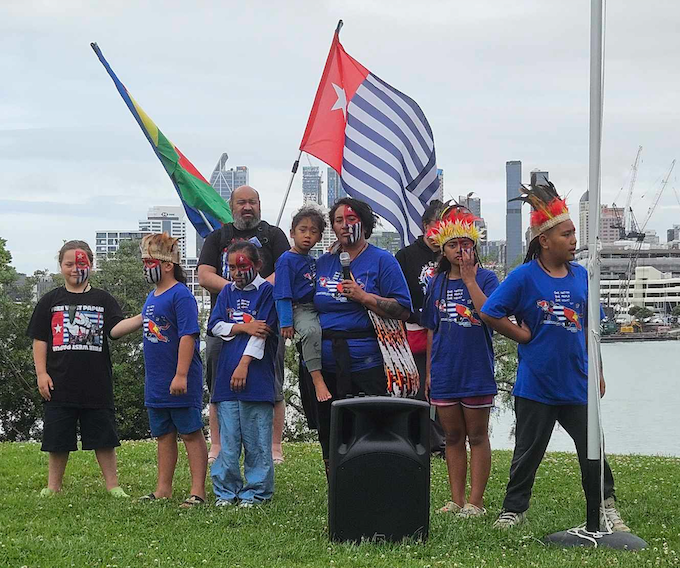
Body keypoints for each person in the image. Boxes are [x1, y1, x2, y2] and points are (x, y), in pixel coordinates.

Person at [480, 181, 629, 531]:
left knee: (594, 451)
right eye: (566, 234)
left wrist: (599, 372)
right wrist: (521, 334)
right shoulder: (523, 277)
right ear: (544, 241)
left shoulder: (583, 277)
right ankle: (514, 510)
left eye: (574, 233)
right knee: (527, 453)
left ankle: (604, 506)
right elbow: (489, 312)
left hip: (578, 384)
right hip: (537, 385)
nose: (574, 240)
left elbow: (592, 330)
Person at [27, 240, 141, 497]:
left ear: (91, 264)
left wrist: (143, 317)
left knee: (104, 437)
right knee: (57, 438)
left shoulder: (103, 298)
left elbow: (115, 330)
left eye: (81, 263)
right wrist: (41, 374)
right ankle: (53, 486)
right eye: (69, 264)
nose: (75, 269)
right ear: (60, 266)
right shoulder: (50, 300)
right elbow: (39, 339)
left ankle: (113, 485)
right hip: (59, 384)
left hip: (96, 384)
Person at [313, 197, 412, 475]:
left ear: (365, 224)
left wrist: (364, 297)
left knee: (369, 434)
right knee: (331, 435)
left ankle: (371, 486)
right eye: (339, 221)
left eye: (352, 219)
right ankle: (337, 491)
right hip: (327, 365)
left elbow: (404, 310)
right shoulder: (323, 263)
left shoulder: (383, 261)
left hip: (368, 365)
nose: (345, 226)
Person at [198, 185, 290, 464]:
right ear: (232, 206)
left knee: (272, 382)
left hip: (265, 320)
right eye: (241, 202)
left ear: (260, 205)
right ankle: (217, 444)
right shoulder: (218, 237)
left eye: (252, 202)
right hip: (224, 322)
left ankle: (275, 446)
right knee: (217, 384)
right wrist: (236, 287)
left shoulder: (273, 236)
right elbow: (204, 275)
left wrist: (256, 288)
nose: (247, 207)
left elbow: (285, 271)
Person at [421, 205, 499, 517]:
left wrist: (469, 280)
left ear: (475, 247)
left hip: (476, 370)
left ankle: (475, 502)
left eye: (466, 244)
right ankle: (456, 499)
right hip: (444, 370)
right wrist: (428, 371)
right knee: (451, 437)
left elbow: (493, 316)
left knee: (477, 436)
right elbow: (431, 328)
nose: (460, 250)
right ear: (443, 248)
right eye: (453, 245)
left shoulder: (488, 279)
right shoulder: (436, 282)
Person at [138, 234, 207, 507]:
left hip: (179, 379)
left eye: (149, 262)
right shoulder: (151, 296)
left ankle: (197, 491)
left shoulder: (181, 295)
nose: (145, 268)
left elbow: (188, 335)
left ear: (167, 265)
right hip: (156, 381)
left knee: (190, 432)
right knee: (163, 434)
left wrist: (180, 374)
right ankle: (163, 488)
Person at [207, 242, 278, 506]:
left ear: (257, 265)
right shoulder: (226, 292)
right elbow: (215, 325)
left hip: (256, 378)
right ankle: (226, 490)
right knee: (228, 439)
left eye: (242, 266)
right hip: (226, 375)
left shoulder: (268, 293)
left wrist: (244, 364)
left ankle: (257, 491)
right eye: (232, 267)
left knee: (257, 440)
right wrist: (242, 327)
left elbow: (263, 332)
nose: (237, 272)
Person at [395, 200, 447, 457]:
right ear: (425, 226)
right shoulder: (405, 256)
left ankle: (445, 440)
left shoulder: (450, 254)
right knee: (417, 388)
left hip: (445, 331)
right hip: (414, 329)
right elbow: (397, 293)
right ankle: (425, 441)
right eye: (436, 227)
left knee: (442, 387)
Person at [274, 206, 330, 402]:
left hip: (316, 306)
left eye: (313, 232)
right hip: (298, 308)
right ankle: (317, 379)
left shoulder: (311, 260)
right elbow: (281, 293)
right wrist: (286, 321)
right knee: (311, 332)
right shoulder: (286, 260)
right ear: (292, 233)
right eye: (302, 230)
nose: (307, 236)